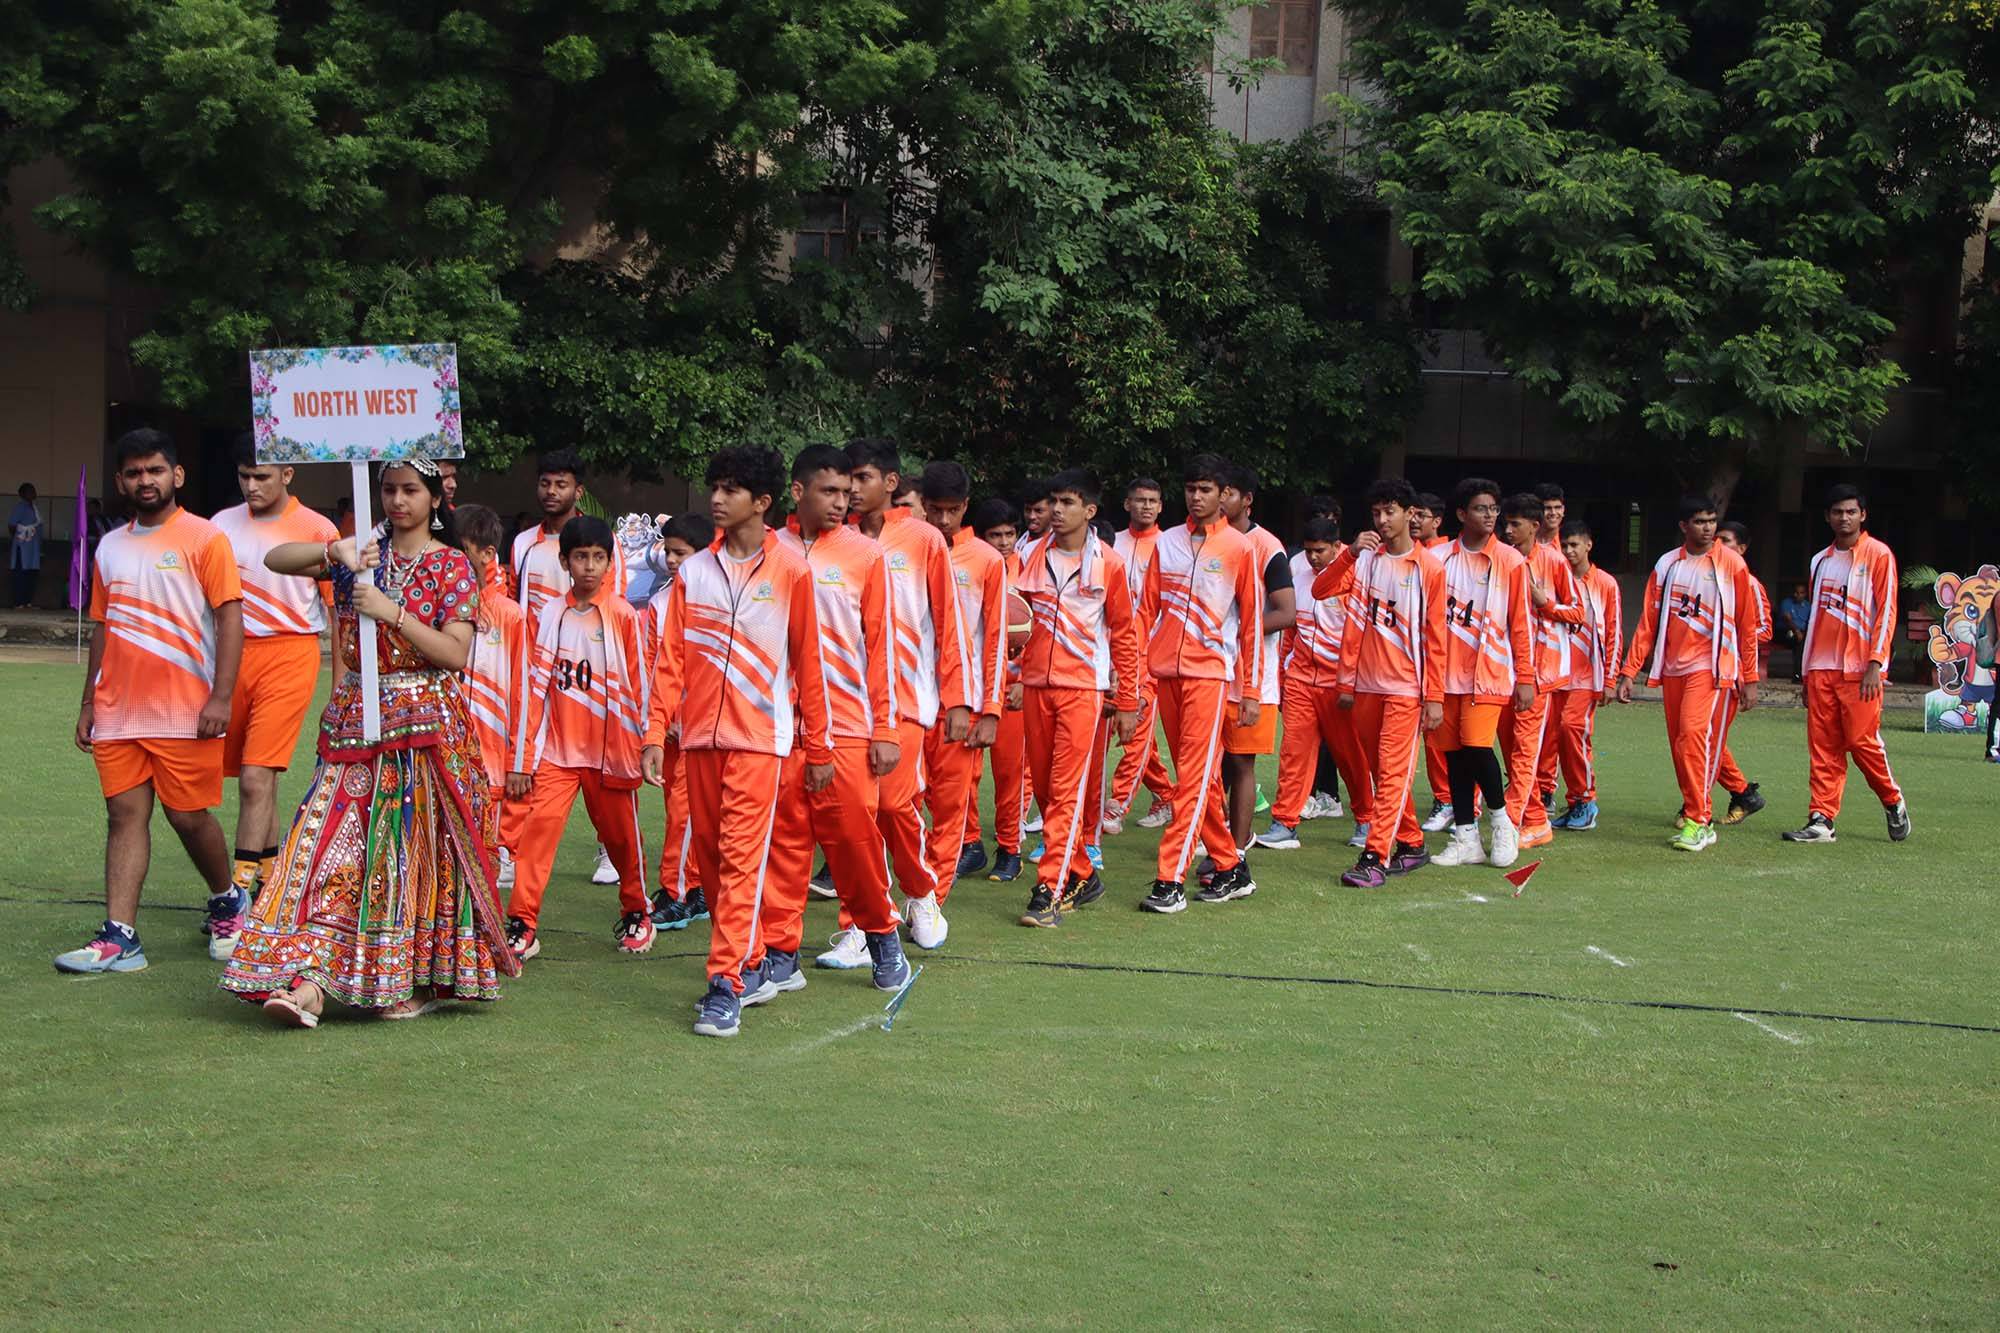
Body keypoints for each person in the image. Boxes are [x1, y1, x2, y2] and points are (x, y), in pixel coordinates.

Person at [220, 456, 516, 1025]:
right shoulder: (362, 554)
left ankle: (411, 980)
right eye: (389, 489)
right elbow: (274, 558)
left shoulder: (452, 565)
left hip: (426, 733)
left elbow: (455, 653)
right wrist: (337, 551)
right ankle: (308, 980)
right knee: (328, 848)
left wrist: (391, 612)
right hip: (356, 724)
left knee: (411, 858)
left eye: (410, 490)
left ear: (435, 499)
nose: (398, 501)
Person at [645, 445, 869, 1039]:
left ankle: (725, 984)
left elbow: (811, 666)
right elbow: (670, 660)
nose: (717, 499)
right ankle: (750, 959)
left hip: (761, 742)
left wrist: (819, 748)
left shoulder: (792, 571)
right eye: (715, 487)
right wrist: (654, 731)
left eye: (731, 489)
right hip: (699, 741)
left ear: (762, 502)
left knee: (742, 858)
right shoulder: (693, 572)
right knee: (713, 863)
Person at [56, 430, 244, 975]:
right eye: (135, 472)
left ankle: (228, 900)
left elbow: (230, 617)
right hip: (118, 709)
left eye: (155, 470)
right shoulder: (110, 546)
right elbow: (102, 625)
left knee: (187, 817)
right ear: (120, 481)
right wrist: (88, 702)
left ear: (176, 475)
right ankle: (120, 938)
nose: (146, 480)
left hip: (186, 708)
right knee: (123, 815)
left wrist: (221, 697)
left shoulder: (205, 538)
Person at [819, 437, 970, 965]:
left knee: (891, 806)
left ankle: (921, 892)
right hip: (844, 703)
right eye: (846, 480)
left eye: (862, 478)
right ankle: (860, 927)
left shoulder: (924, 539)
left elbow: (949, 622)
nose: (852, 489)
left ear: (889, 482)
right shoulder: (830, 543)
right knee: (853, 816)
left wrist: (958, 699)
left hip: (906, 699)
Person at [761, 445, 905, 986]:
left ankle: (881, 933)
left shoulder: (865, 555)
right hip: (777, 726)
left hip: (846, 725)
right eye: (829, 491)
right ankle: (781, 950)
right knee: (784, 843)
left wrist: (885, 727)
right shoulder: (766, 550)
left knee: (854, 844)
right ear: (798, 491)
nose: (842, 502)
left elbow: (882, 647)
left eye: (847, 492)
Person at [502, 515, 657, 961]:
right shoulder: (551, 613)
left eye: (598, 557)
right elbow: (534, 688)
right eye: (581, 557)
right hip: (558, 753)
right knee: (536, 836)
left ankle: (637, 912)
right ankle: (522, 924)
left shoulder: (624, 615)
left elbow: (641, 685)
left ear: (610, 562)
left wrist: (647, 741)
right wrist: (523, 758)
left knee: (622, 840)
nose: (589, 566)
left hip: (611, 753)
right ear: (565, 562)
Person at [210, 435, 339, 937]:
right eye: (244, 476)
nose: (252, 485)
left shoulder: (317, 529)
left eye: (262, 476)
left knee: (255, 777)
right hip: (232, 656)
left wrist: (340, 688)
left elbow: (338, 614)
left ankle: (237, 896)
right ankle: (270, 884)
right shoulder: (221, 524)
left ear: (287, 475)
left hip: (290, 652)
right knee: (256, 779)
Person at [1135, 454, 1263, 913]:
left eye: (1206, 489)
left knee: (1191, 780)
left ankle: (1169, 878)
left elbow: (1252, 625)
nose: (1196, 496)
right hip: (1166, 674)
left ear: (1224, 495)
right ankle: (1230, 866)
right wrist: (1138, 674)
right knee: (1201, 781)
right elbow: (1145, 611)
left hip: (1210, 676)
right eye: (1191, 488)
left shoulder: (1239, 548)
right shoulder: (1166, 542)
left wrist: (1251, 692)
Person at [1014, 470, 1141, 925]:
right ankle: (1083, 874)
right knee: (1047, 790)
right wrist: (1013, 674)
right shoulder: (1028, 555)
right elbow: (1015, 621)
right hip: (1035, 687)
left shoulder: (1110, 563)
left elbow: (1125, 634)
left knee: (1066, 792)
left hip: (1083, 690)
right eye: (1053, 501)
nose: (1056, 510)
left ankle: (1049, 889)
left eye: (1067, 502)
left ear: (1089, 510)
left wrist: (1128, 701)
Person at [1313, 480, 1447, 887]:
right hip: (1366, 686)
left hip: (1407, 688)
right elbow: (1320, 590)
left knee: (1391, 773)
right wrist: (1350, 553)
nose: (1383, 520)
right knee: (1381, 771)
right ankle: (1412, 842)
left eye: (1391, 511)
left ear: (1411, 514)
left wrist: (1434, 697)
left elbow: (1436, 637)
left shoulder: (1429, 568)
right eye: (1377, 513)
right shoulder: (1365, 560)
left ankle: (1374, 856)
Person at [1617, 496, 1761, 853]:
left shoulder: (1732, 564)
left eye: (1712, 521)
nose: (1708, 528)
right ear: (1684, 526)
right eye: (1699, 521)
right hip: (1673, 668)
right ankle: (1698, 815)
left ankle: (1698, 819)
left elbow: (1747, 625)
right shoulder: (1667, 564)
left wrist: (1750, 677)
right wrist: (1629, 670)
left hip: (1711, 668)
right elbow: (1649, 621)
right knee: (1681, 743)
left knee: (1694, 735)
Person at [510, 447, 626, 886]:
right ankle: (512, 850)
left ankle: (608, 849)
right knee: (531, 758)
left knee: (599, 765)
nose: (551, 491)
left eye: (561, 484)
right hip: (538, 670)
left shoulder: (599, 542)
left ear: (579, 491)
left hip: (591, 674)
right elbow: (519, 605)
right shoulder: (523, 543)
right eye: (545, 483)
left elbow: (613, 606)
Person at [1782, 484, 1910, 843]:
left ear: (1863, 515)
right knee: (1823, 746)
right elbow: (1816, 619)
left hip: (1860, 670)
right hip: (1822, 667)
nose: (1844, 518)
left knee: (1861, 742)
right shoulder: (1820, 561)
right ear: (1827, 517)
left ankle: (1892, 800)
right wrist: (1806, 673)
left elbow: (1887, 612)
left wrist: (1876, 663)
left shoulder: (1879, 555)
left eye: (1851, 511)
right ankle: (1821, 819)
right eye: (1837, 512)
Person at [1425, 478, 1533, 869]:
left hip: (1488, 674)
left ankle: (1503, 823)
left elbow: (1521, 623)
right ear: (1461, 514)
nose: (1489, 516)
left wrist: (1526, 676)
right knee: (1454, 756)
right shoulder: (1437, 558)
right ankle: (1466, 837)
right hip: (1443, 675)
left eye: (1493, 509)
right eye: (1480, 509)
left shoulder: (1510, 560)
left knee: (1476, 747)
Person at [919, 461, 1007, 903]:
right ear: (921, 504)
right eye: (934, 509)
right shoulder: (906, 552)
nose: (942, 519)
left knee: (952, 805)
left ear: (965, 507)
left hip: (963, 703)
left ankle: (932, 901)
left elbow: (996, 639)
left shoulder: (987, 560)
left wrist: (991, 710)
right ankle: (908, 888)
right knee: (903, 800)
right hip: (909, 698)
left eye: (952, 510)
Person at [1260, 516, 1371, 851]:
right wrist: (1283, 678)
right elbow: (1291, 632)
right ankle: (1284, 823)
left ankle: (1367, 820)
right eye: (1308, 551)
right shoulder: (1297, 574)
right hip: (1300, 679)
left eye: (1320, 551)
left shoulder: (1358, 577)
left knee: (1351, 756)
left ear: (1338, 547)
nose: (1313, 557)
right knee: (1294, 753)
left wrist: (1353, 682)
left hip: (1340, 682)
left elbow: (1364, 636)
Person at [1205, 465, 1293, 878]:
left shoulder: (1266, 546)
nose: (1220, 499)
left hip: (1252, 677)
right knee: (1210, 764)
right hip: (1208, 671)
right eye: (1217, 491)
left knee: (1240, 764)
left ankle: (1236, 852)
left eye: (1229, 492)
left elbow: (1287, 612)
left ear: (1247, 499)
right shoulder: (1205, 541)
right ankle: (1217, 841)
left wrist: (1236, 632)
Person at [1496, 491, 1583, 853]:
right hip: (1503, 669)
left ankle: (1510, 823)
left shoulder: (1554, 561)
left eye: (1515, 524)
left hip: (1541, 672)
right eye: (1506, 524)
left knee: (1524, 751)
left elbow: (1578, 613)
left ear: (1534, 526)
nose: (1508, 530)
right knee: (1510, 748)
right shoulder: (1500, 560)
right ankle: (1536, 821)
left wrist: (1545, 603)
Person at [640, 513, 714, 929]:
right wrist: (657, 719)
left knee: (686, 813)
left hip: (702, 727)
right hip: (668, 726)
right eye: (668, 552)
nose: (671, 560)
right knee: (679, 811)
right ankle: (696, 889)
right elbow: (653, 664)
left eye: (680, 553)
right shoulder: (659, 602)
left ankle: (677, 892)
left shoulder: (717, 599)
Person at [454, 504, 532, 896]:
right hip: (447, 742)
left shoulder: (510, 615)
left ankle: (502, 856)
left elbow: (523, 693)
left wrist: (520, 761)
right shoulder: (443, 607)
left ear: (487, 554)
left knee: (487, 867)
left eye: (461, 551)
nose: (453, 560)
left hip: (494, 750)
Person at [965, 498, 1029, 883]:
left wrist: (1026, 679)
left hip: (1013, 688)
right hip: (975, 684)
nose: (1004, 542)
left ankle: (1009, 849)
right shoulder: (968, 567)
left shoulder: (1030, 570)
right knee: (965, 773)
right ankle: (969, 844)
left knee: (1010, 774)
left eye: (1009, 534)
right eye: (995, 535)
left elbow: (1042, 629)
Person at [1106, 476, 1174, 832]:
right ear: (1127, 504)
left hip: (1151, 653)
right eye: (1140, 500)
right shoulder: (1111, 543)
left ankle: (1115, 806)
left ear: (1160, 507)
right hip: (1109, 649)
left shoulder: (1171, 546)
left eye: (1152, 501)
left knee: (1137, 727)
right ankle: (1166, 794)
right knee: (1124, 728)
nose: (1146, 506)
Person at [1548, 519, 1621, 830]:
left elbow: (1614, 632)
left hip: (1588, 675)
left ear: (1588, 545)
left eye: (1574, 545)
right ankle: (1570, 799)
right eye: (1564, 545)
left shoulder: (1605, 583)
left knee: (1572, 728)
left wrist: (1610, 679)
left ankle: (1586, 800)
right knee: (1557, 736)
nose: (1568, 551)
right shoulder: (1556, 579)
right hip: (1556, 672)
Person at [1712, 520, 1771, 824]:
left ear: (1742, 548)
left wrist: (1729, 640)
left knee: (1706, 737)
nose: (1718, 545)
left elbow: (1763, 629)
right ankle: (1741, 794)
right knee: (1696, 735)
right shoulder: (1710, 577)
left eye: (1726, 540)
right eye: (1716, 539)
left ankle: (1698, 804)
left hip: (1731, 671)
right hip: (1705, 669)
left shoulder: (1749, 584)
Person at [10, 482, 40, 608]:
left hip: (33, 547)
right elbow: (12, 525)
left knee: (31, 574)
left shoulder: (34, 507)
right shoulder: (20, 507)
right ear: (23, 494)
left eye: (34, 490)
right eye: (30, 491)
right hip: (22, 546)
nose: (33, 493)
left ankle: (27, 601)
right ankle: (19, 602)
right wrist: (19, 538)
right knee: (20, 573)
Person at [1779, 583, 1810, 681]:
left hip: (1803, 633)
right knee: (1799, 642)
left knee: (1804, 642)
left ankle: (1803, 674)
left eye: (1801, 593)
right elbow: (1787, 619)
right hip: (1788, 631)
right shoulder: (1787, 603)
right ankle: (1798, 675)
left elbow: (1809, 622)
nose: (1798, 595)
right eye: (1796, 593)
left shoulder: (1808, 606)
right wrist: (1797, 631)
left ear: (1805, 594)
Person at [1533, 483, 1566, 547]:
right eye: (1547, 508)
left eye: (1557, 507)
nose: (1553, 513)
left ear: (1563, 509)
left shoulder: (1568, 541)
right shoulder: (1525, 539)